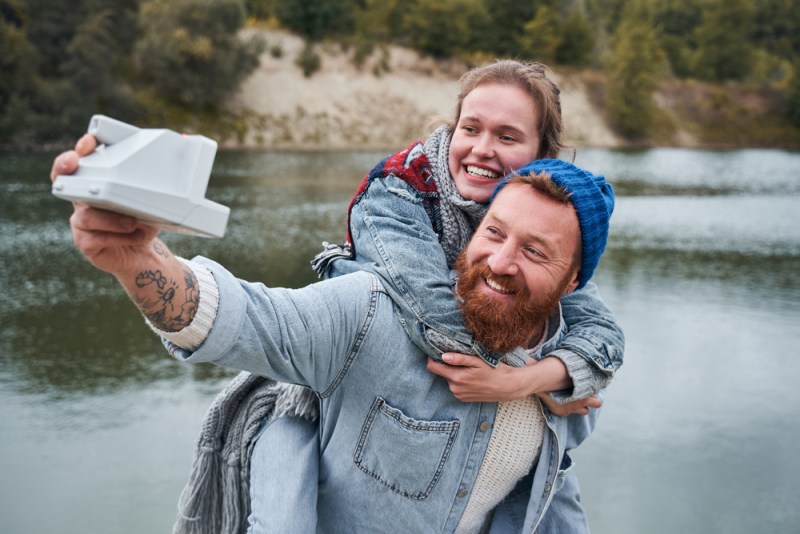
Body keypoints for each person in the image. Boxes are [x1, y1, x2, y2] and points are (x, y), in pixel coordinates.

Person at [53, 149, 615, 531]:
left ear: (572, 282)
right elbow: (248, 319)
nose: (500, 261)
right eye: (493, 232)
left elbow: (551, 491)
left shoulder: (570, 376)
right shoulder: (373, 314)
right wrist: (136, 261)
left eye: (535, 251)